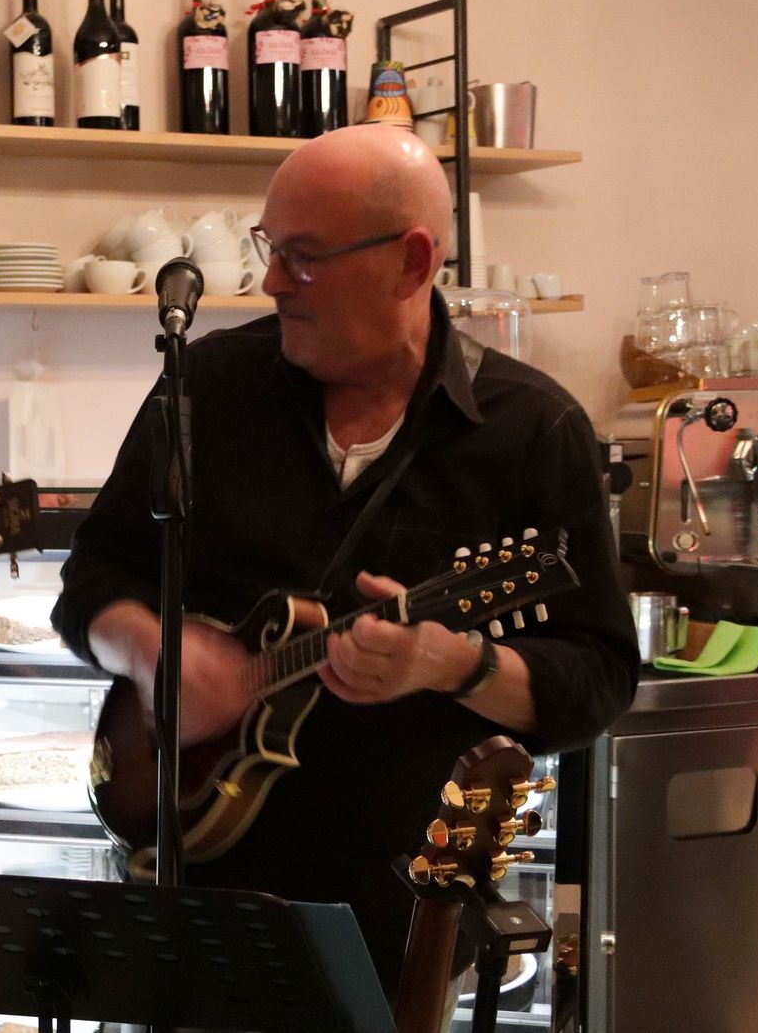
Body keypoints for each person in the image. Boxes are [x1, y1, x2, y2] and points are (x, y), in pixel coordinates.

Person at [52, 125, 636, 998]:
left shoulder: (533, 431)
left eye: (305, 257)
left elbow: (597, 679)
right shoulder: (207, 387)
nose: (275, 281)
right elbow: (92, 578)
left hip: (397, 912)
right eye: (269, 249)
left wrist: (459, 663)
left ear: (411, 261)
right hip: (193, 888)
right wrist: (151, 652)